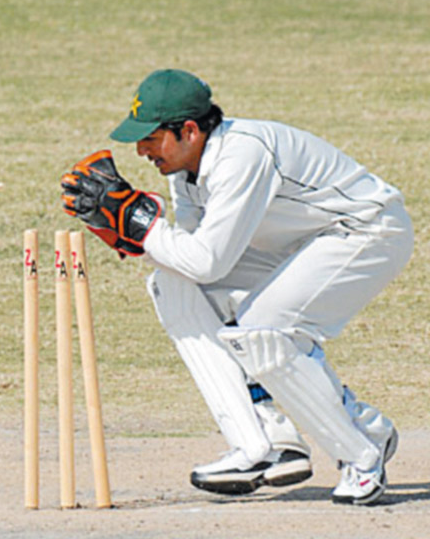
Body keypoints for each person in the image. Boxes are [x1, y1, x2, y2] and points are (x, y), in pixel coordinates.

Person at [60, 69, 413, 505]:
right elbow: (189, 259)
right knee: (172, 286)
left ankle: (361, 453)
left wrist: (140, 224)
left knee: (264, 329)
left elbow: (208, 260)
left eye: (151, 138)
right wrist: (127, 234)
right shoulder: (184, 168)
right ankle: (263, 444)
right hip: (298, 243)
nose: (141, 150)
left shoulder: (242, 156)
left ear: (188, 130)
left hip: (366, 231)